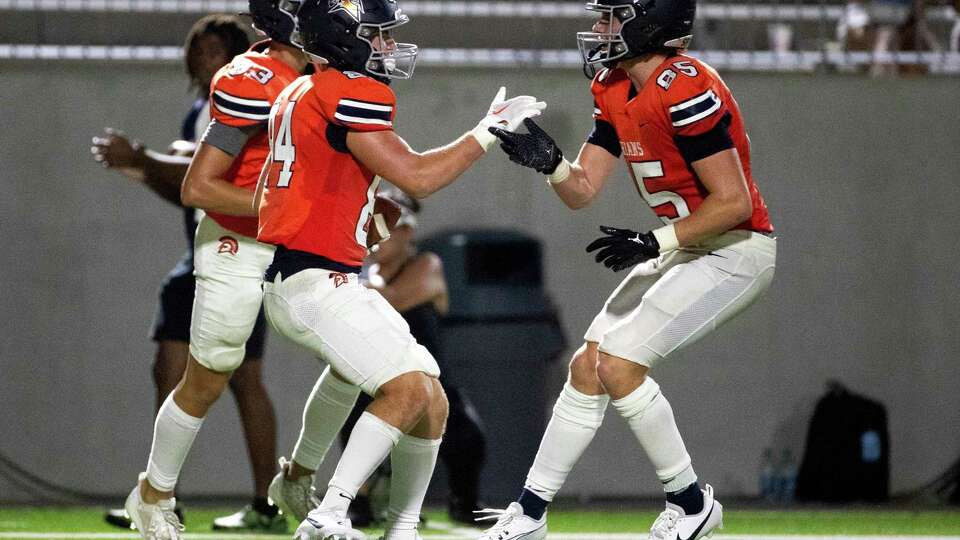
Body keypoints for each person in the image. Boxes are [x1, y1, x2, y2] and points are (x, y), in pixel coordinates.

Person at [476, 1, 776, 539]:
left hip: (734, 248)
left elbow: (733, 203)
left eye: (613, 16)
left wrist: (652, 241)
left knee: (617, 364)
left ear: (651, 21)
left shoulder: (684, 84)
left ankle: (691, 505)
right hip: (684, 246)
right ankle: (530, 513)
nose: (599, 28)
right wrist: (550, 163)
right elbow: (582, 190)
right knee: (587, 367)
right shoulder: (614, 86)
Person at [253, 1, 544, 538]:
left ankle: (400, 526)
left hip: (311, 271)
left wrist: (356, 210)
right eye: (377, 35)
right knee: (408, 388)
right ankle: (329, 513)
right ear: (344, 38)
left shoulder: (300, 87)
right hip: (314, 280)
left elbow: (305, 182)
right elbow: (418, 177)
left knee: (430, 398)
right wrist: (488, 131)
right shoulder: (349, 89)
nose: (388, 47)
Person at [90, 13, 284, 533]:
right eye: (197, 49)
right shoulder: (204, 106)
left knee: (239, 379)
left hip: (238, 248)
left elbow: (198, 180)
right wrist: (147, 166)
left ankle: (269, 498)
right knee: (177, 373)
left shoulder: (242, 95)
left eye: (214, 49)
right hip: (205, 251)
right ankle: (160, 492)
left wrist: (145, 158)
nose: (203, 59)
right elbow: (189, 188)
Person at [337, 189, 488, 527]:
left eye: (385, 227)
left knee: (467, 436)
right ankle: (356, 498)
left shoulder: (426, 265)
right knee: (354, 419)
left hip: (431, 378)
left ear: (406, 232)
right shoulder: (361, 272)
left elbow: (392, 299)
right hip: (378, 378)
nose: (375, 237)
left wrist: (365, 274)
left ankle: (464, 501)